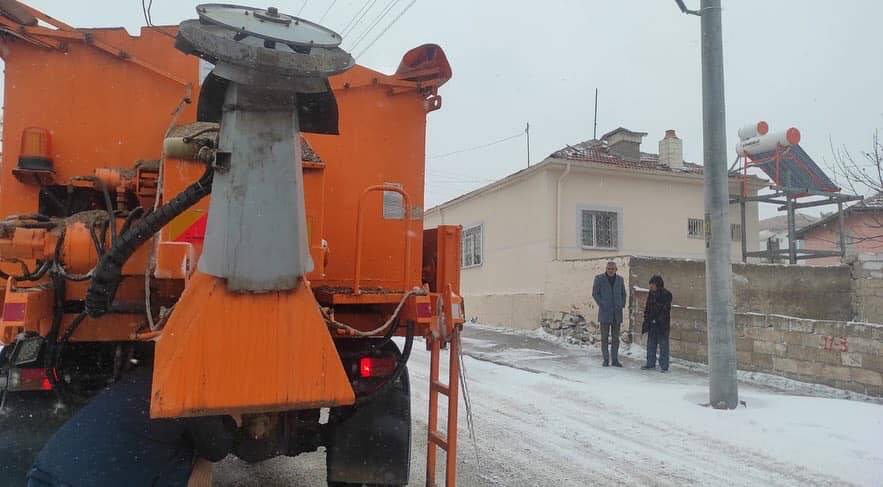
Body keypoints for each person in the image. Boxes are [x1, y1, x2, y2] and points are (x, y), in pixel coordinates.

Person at [26, 364, 237, 487]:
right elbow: (215, 447)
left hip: (44, 475)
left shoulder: (144, 381)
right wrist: (235, 419)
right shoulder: (188, 392)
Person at [592, 261, 627, 367]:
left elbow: (623, 294)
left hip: (617, 313)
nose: (610, 271)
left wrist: (621, 304)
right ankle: (606, 359)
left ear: (616, 269)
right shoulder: (599, 279)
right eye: (609, 269)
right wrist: (601, 303)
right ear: (606, 269)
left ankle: (615, 359)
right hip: (605, 313)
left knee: (616, 338)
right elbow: (595, 293)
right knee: (604, 337)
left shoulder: (620, 280)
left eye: (613, 269)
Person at [641, 275, 673, 372]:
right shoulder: (651, 294)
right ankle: (650, 363)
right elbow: (648, 308)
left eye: (652, 285)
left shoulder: (666, 294)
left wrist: (657, 319)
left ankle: (664, 365)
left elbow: (665, 309)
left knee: (663, 345)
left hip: (662, 324)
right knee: (651, 344)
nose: (651, 287)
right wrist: (647, 319)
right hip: (652, 324)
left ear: (657, 285)